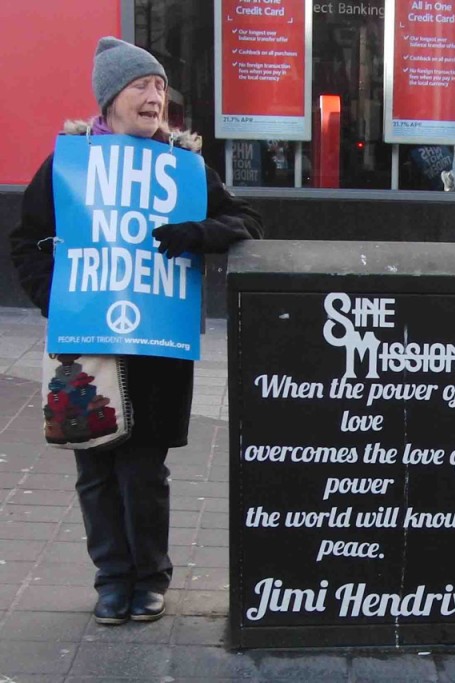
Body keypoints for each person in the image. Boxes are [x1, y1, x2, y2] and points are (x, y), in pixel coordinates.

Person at [9, 37, 263, 625]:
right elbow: (27, 241)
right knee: (95, 468)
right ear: (109, 98)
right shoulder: (70, 161)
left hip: (156, 344)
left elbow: (245, 218)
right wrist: (57, 300)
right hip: (86, 346)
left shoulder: (184, 163)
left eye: (159, 87)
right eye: (141, 86)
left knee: (144, 470)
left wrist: (198, 232)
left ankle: (149, 578)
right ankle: (111, 579)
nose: (156, 98)